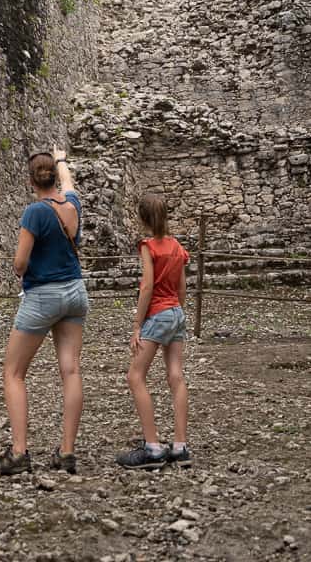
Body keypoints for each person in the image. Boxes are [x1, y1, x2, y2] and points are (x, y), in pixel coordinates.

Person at [0, 146, 88, 475]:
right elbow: (70, 185)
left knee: (14, 372)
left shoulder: (34, 212)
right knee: (71, 371)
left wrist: (21, 268)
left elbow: (20, 263)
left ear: (31, 180)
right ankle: (67, 451)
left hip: (43, 296)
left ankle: (19, 452)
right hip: (75, 291)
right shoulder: (72, 206)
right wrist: (62, 160)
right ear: (54, 177)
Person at [116, 193, 192, 470]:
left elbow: (147, 286)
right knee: (176, 376)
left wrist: (137, 325)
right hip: (176, 313)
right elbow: (183, 288)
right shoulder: (177, 247)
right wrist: (177, 313)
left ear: (142, 218)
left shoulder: (148, 245)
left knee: (135, 376)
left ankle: (153, 447)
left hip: (158, 314)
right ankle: (181, 446)